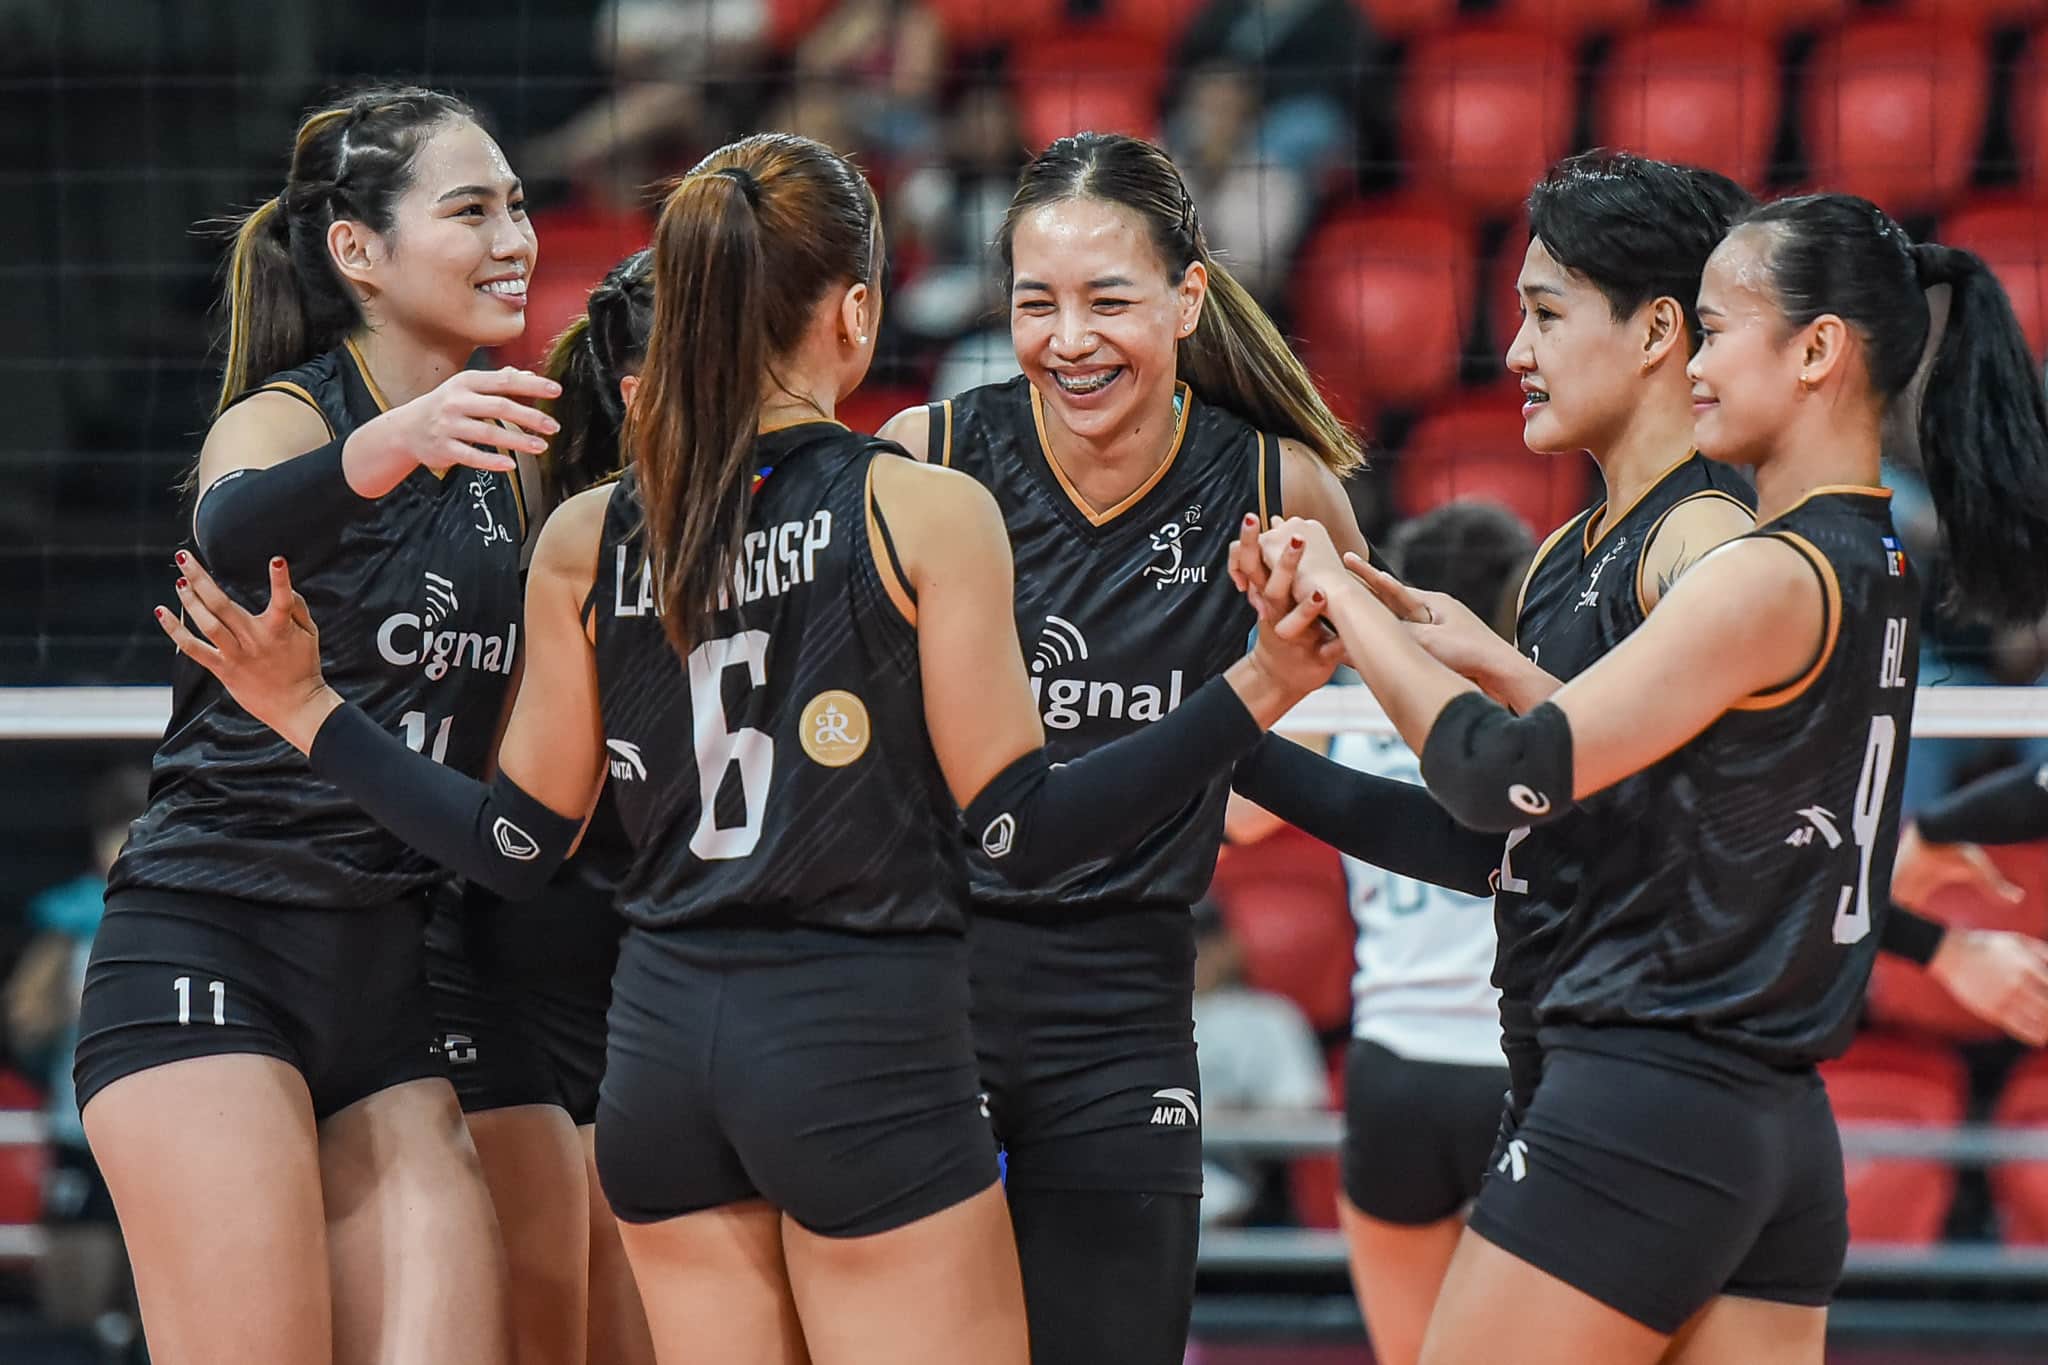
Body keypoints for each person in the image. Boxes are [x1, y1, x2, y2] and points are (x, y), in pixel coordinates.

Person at [155, 131, 1341, 1365]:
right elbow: (1015, 828)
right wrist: (1251, 687)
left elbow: (510, 845)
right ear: (855, 311)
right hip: (858, 1039)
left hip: (662, 1060)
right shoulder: (922, 500)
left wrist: (307, 715)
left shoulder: (585, 530)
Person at [1239, 191, 2048, 1364]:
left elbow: (1494, 778)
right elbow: (1598, 813)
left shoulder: (1751, 564)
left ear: (1815, 350)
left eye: (1714, 333)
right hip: (1764, 1118)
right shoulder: (1865, 559)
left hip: (1642, 1099)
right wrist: (1240, 739)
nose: (1698, 364)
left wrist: (1346, 602)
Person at [72, 86, 554, 1365]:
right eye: (471, 210)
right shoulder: (291, 415)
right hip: (208, 954)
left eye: (516, 205)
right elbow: (227, 529)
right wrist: (395, 441)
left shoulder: (509, 454)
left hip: (388, 990)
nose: (514, 237)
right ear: (358, 251)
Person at [877, 129, 1369, 1365]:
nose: (1069, 338)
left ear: (1189, 296)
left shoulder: (1276, 484)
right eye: (1036, 302)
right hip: (930, 981)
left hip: (1129, 1003)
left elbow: (1352, 720)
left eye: (1109, 300)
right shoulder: (926, 458)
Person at [426, 250, 656, 1365]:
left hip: (610, 941)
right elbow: (527, 814)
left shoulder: (563, 515)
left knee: (598, 1302)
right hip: (551, 938)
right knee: (566, 1302)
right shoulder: (565, 529)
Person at [5, 767, 147, 1362]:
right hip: (81, 1132)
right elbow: (23, 1020)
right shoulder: (69, 920)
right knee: (78, 1307)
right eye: (120, 830)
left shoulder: (203, 919)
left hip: (163, 1136)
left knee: (162, 1299)